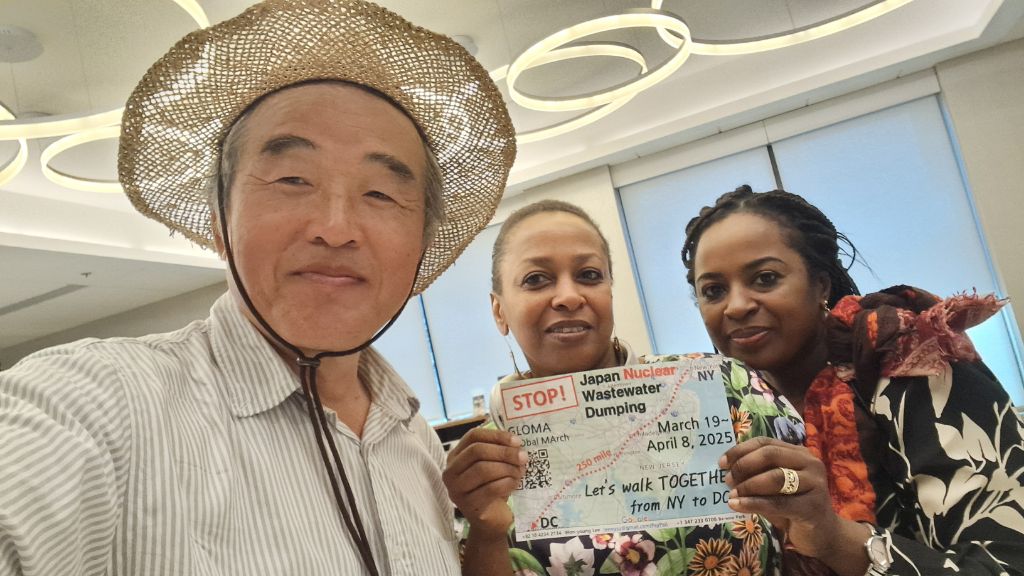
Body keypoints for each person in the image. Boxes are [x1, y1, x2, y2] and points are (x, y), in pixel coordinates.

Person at [0, 1, 516, 574]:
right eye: (292, 179)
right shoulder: (101, 403)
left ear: (421, 243)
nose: (336, 228)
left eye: (380, 194)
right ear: (220, 223)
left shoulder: (412, 438)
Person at [444, 199, 808, 576]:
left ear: (610, 292)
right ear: (499, 310)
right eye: (536, 279)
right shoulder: (486, 461)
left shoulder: (721, 385)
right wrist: (486, 531)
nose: (569, 296)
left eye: (589, 275)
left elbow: (815, 528)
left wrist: (801, 506)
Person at [681, 185, 1024, 576]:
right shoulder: (719, 413)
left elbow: (1008, 563)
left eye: (765, 278)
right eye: (713, 291)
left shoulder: (914, 360)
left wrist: (835, 539)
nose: (737, 306)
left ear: (821, 285)